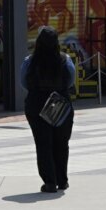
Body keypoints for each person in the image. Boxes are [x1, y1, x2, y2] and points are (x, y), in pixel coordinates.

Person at [22, 25, 77, 194]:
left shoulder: (29, 61)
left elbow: (24, 82)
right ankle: (62, 180)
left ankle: (50, 182)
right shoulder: (65, 60)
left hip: (37, 104)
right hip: (60, 104)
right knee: (61, 143)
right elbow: (70, 80)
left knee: (43, 143)